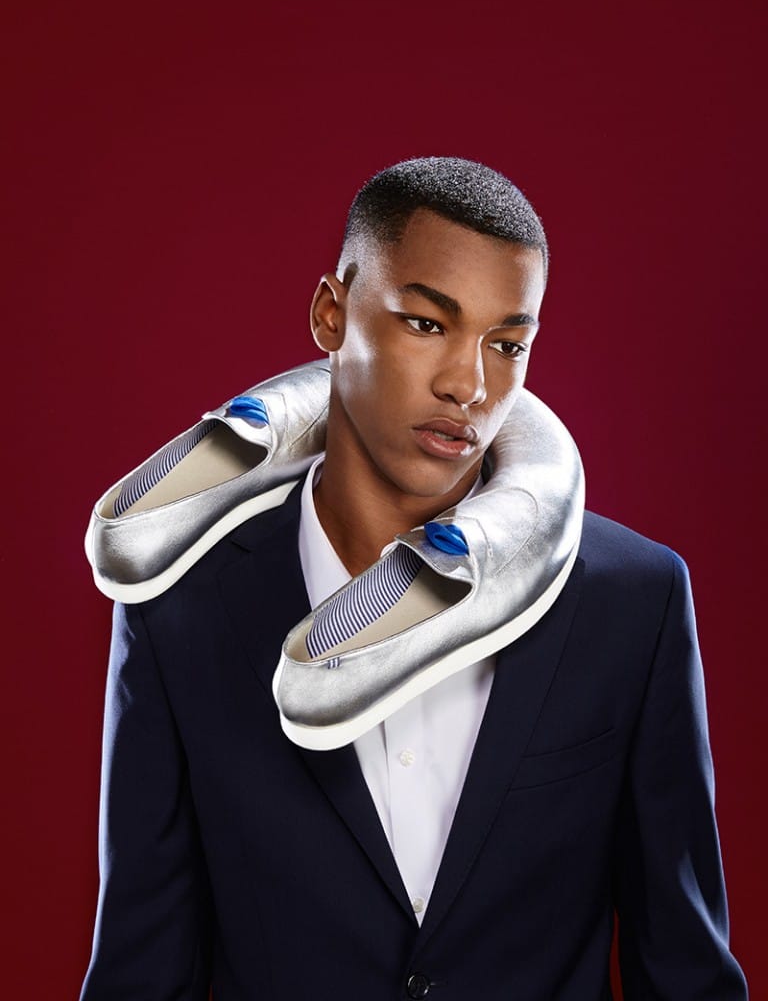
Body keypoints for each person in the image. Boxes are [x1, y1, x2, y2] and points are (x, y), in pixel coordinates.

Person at [80, 158, 747, 999]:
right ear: (332, 314)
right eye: (427, 323)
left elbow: (683, 971)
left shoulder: (631, 601)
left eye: (507, 344)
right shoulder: (182, 607)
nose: (468, 385)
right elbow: (142, 969)